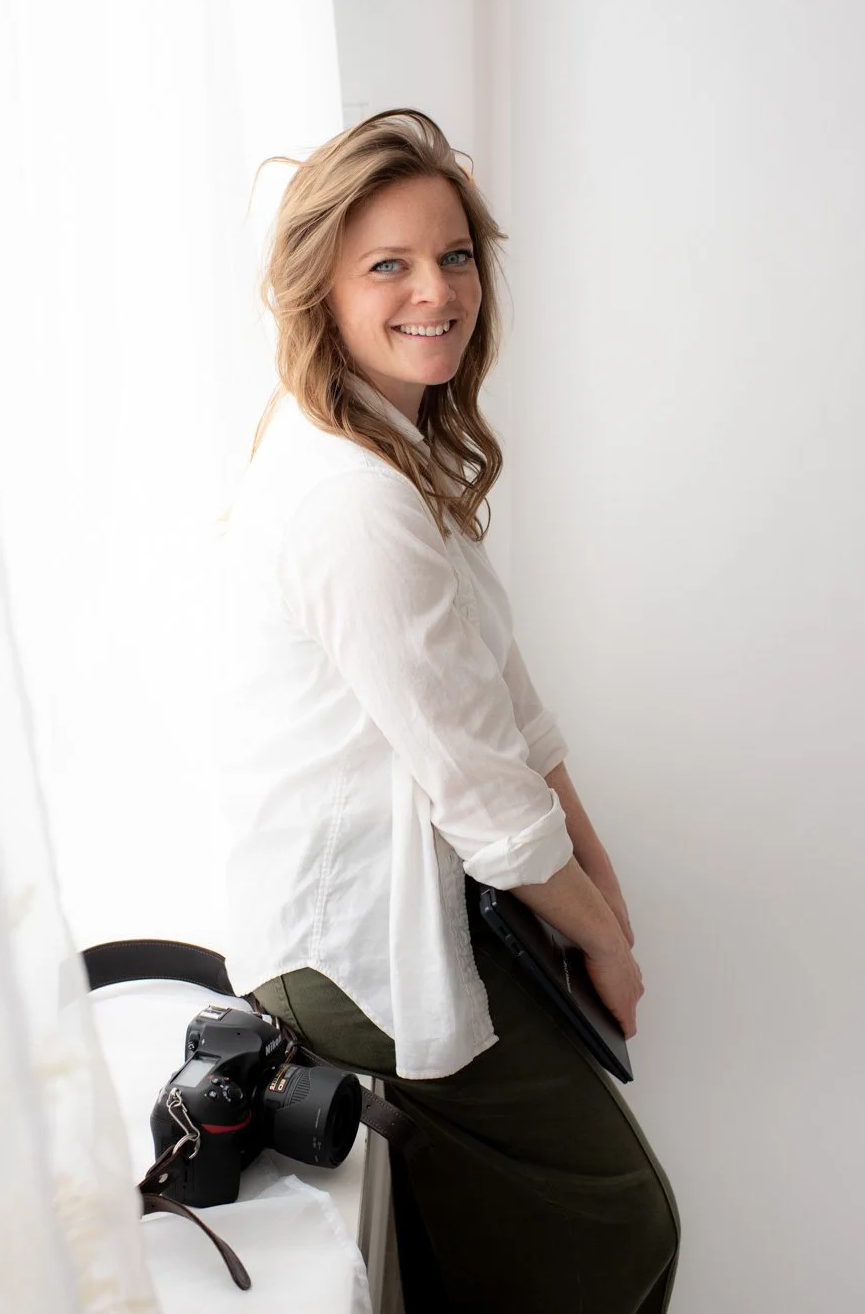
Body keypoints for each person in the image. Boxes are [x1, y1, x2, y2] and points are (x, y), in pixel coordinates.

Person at [215, 108, 681, 1312]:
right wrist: (606, 944)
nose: (437, 290)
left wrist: (601, 884)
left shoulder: (389, 458)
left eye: (455, 255)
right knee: (618, 1228)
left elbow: (508, 714)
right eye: (390, 264)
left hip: (421, 900)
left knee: (550, 1239)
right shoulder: (350, 502)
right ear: (320, 284)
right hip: (355, 949)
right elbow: (483, 799)